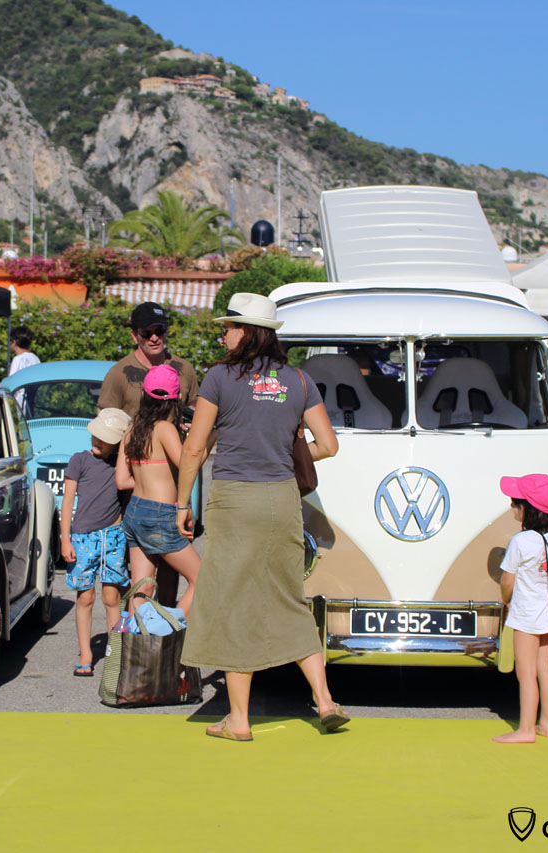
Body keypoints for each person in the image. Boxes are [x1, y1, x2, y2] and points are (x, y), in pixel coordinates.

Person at [175, 292, 343, 742]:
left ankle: (239, 719)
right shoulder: (300, 381)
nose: (223, 334)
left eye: (228, 326)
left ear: (247, 331)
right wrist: (281, 457)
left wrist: (180, 504)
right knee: (288, 596)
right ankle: (325, 701)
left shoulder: (218, 379)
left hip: (234, 497)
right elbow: (327, 445)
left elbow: (195, 447)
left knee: (232, 601)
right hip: (282, 498)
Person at [98, 302, 199, 607]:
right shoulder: (119, 373)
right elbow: (106, 425)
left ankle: (145, 648)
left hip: (150, 495)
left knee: (150, 582)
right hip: (152, 497)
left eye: (160, 331)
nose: (155, 337)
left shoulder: (185, 369)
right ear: (135, 336)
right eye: (148, 333)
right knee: (184, 576)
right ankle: (165, 632)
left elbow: (194, 413)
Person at [115, 365, 201, 617]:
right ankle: (164, 630)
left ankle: (136, 649)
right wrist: (206, 437)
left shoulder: (132, 429)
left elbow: (121, 480)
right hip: (160, 514)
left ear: (144, 394)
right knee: (202, 580)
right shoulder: (165, 428)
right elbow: (188, 467)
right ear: (175, 399)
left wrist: (149, 476)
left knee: (140, 590)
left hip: (135, 512)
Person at [493, 473, 548, 744]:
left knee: (525, 674)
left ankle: (525, 728)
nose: (512, 507)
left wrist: (506, 598)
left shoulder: (521, 542)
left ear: (528, 510)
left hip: (525, 615)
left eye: (515, 503)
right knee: (546, 669)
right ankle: (546, 724)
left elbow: (507, 580)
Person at [60, 408, 132, 677]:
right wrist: (65, 538)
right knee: (85, 597)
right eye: (96, 436)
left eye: (105, 438)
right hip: (83, 538)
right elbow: (68, 501)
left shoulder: (122, 465)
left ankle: (115, 651)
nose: (97, 441)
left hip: (113, 536)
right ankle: (86, 652)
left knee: (112, 597)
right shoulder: (79, 460)